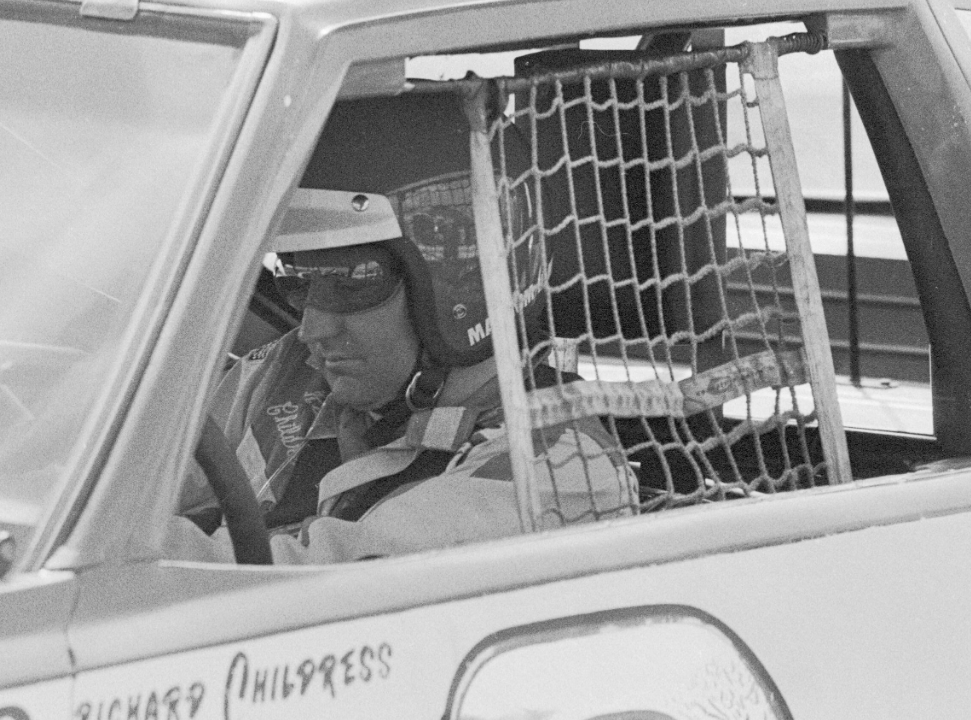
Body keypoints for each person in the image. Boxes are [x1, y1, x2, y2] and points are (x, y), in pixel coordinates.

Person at [172, 93, 637, 564]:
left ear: (459, 287)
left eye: (349, 282)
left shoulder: (554, 469)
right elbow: (133, 482)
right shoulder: (286, 372)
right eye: (299, 281)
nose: (312, 330)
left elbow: (302, 591)